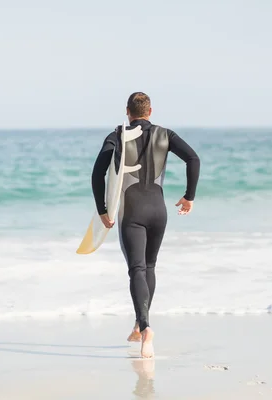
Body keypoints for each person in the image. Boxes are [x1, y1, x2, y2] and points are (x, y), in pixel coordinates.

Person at [91, 92, 200, 358]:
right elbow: (193, 159)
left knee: (136, 269)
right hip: (158, 210)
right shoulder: (167, 134)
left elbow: (98, 173)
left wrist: (103, 210)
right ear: (150, 112)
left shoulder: (117, 135)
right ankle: (140, 324)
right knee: (149, 267)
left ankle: (146, 327)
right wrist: (189, 196)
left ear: (127, 111)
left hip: (132, 211)